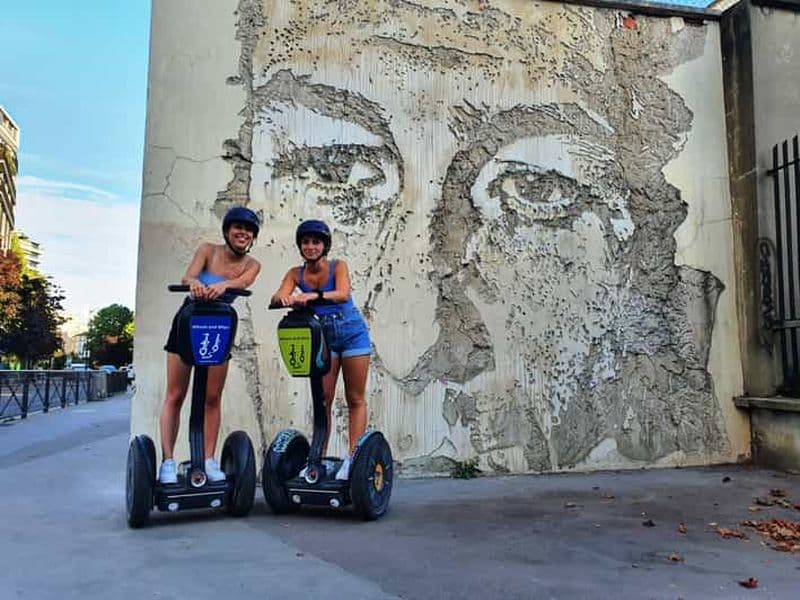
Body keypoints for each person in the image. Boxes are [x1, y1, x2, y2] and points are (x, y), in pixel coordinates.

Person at [158, 206, 262, 484]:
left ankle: (208, 459)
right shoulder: (208, 250)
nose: (243, 233)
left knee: (212, 397)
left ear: (253, 236)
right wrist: (195, 285)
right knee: (176, 394)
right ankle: (167, 463)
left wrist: (223, 287)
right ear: (227, 231)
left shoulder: (253, 264)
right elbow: (188, 276)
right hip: (189, 320)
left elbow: (244, 281)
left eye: (249, 229)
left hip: (219, 325)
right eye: (237, 227)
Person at [271, 219, 372, 480]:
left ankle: (353, 460)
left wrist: (311, 297)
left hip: (351, 331)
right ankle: (318, 459)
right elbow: (277, 297)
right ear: (300, 246)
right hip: (322, 334)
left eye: (316, 242)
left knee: (355, 398)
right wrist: (288, 299)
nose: (311, 246)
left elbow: (342, 294)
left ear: (324, 245)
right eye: (306, 242)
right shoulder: (296, 273)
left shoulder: (338, 266)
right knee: (323, 398)